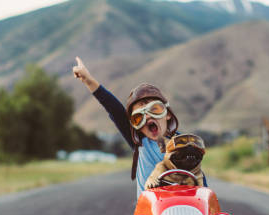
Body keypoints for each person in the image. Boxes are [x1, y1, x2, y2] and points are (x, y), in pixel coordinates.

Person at [72, 56, 206, 198]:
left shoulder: (185, 144)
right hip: (149, 214)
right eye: (138, 117)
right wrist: (88, 80)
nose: (148, 117)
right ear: (135, 125)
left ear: (167, 114)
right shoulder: (140, 142)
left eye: (155, 109)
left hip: (181, 208)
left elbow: (200, 181)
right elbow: (115, 110)